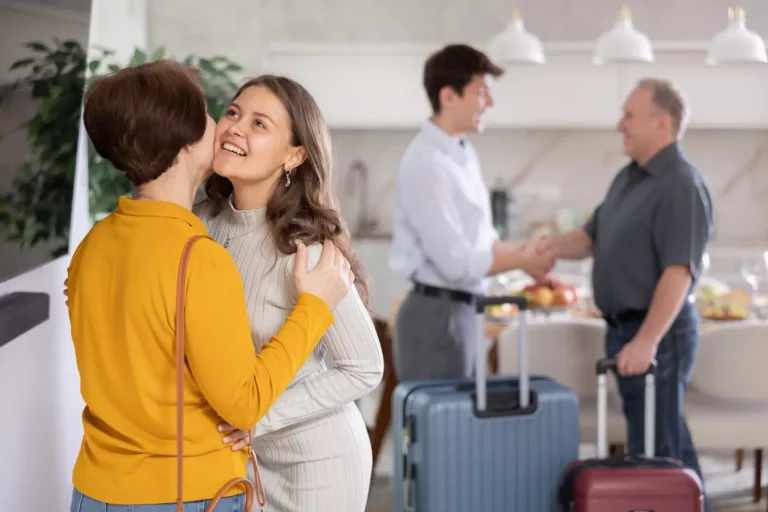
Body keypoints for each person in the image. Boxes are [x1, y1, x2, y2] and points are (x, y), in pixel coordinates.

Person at [66, 61, 354, 512]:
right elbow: (243, 405)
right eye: (211, 115)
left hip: (92, 492)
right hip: (180, 495)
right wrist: (313, 308)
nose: (222, 126)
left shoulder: (91, 246)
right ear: (184, 145)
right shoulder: (198, 257)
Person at [193, 74, 383, 512]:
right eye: (234, 113)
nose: (236, 127)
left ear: (294, 154)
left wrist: (261, 418)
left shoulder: (307, 250)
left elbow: (364, 368)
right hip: (238, 455)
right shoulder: (198, 222)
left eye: (260, 124)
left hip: (315, 461)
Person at [541, 78, 713, 507]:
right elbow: (591, 236)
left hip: (657, 335)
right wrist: (544, 249)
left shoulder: (681, 184)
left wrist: (647, 340)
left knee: (657, 448)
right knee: (660, 440)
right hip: (624, 330)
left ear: (662, 122)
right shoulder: (629, 178)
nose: (620, 125)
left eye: (629, 116)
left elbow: (680, 272)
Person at [389, 43, 553, 382]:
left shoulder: (462, 154)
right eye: (482, 93)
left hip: (462, 312)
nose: (490, 103)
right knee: (443, 432)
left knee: (462, 428)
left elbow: (484, 242)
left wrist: (528, 254)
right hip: (438, 317)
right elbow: (456, 264)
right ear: (448, 96)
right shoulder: (427, 164)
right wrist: (525, 259)